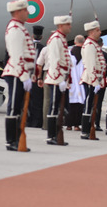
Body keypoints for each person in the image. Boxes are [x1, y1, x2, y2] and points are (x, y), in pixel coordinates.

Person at [2, 0, 36, 151]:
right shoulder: (15, 28)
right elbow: (16, 56)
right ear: (17, 12)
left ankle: (16, 138)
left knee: (18, 107)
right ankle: (11, 140)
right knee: (14, 107)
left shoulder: (20, 28)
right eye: (25, 10)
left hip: (21, 73)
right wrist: (24, 76)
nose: (28, 13)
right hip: (16, 73)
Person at [43, 15, 72, 145]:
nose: (70, 27)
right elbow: (54, 60)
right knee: (54, 107)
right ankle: (51, 136)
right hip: (56, 78)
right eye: (68, 24)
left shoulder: (61, 39)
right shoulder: (56, 39)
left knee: (56, 108)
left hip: (60, 77)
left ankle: (54, 135)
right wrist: (58, 79)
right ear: (61, 25)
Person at [80, 21, 106, 140]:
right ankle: (85, 131)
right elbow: (90, 66)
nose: (100, 32)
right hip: (91, 80)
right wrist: (95, 82)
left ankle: (88, 130)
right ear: (91, 32)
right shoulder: (90, 45)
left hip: (94, 80)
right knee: (88, 106)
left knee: (91, 106)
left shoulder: (93, 44)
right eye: (97, 30)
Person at [67, 36, 85, 130]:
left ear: (74, 41)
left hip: (71, 82)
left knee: (70, 104)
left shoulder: (69, 52)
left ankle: (69, 125)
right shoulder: (85, 53)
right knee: (79, 105)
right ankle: (77, 125)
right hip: (81, 82)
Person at [29, 25, 46, 128]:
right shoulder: (43, 48)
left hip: (27, 77)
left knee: (27, 99)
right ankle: (37, 122)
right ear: (41, 37)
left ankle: (27, 120)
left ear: (32, 36)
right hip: (39, 77)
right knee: (38, 101)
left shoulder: (27, 47)